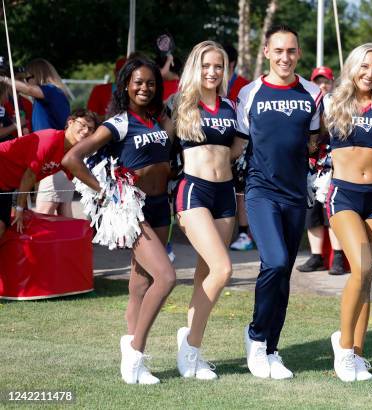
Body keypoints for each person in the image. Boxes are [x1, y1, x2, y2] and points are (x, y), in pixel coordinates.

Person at [62, 57, 175, 385]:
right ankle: (136, 355)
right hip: (132, 210)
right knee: (165, 277)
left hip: (159, 207)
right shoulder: (119, 123)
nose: (144, 88)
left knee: (140, 284)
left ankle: (131, 347)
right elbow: (72, 158)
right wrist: (105, 191)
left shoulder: (158, 120)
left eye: (151, 83)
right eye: (138, 82)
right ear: (126, 85)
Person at [236, 25, 322, 379]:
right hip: (260, 192)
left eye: (291, 51)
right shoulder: (249, 93)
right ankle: (256, 339)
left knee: (283, 273)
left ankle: (272, 348)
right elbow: (239, 145)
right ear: (267, 52)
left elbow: (315, 143)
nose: (285, 57)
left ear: (298, 54)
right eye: (279, 50)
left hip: (294, 195)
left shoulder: (313, 93)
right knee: (274, 262)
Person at [168, 41, 246, 380]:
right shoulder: (181, 104)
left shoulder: (232, 105)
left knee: (206, 273)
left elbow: (240, 143)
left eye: (218, 66)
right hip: (194, 192)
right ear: (194, 68)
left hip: (225, 194)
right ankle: (191, 348)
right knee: (223, 269)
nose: (212, 72)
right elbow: (161, 142)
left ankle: (192, 345)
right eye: (206, 66)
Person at [325, 44, 372, 382]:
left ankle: (357, 353)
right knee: (363, 266)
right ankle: (342, 346)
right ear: (353, 67)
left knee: (367, 277)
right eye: (365, 66)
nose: (370, 74)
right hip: (345, 195)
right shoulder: (332, 103)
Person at [0, 109, 97, 240]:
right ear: (70, 122)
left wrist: (103, 193)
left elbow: (81, 179)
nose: (86, 131)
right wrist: (19, 208)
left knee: (3, 228)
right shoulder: (51, 139)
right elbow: (29, 176)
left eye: (91, 129)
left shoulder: (71, 154)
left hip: (7, 187)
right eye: (83, 125)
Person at [1, 59, 73, 217]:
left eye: (28, 78)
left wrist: (4, 79)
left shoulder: (50, 91)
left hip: (52, 160)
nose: (26, 82)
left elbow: (28, 89)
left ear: (38, 75)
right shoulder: (55, 95)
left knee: (42, 214)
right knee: (63, 214)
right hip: (59, 161)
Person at [297, 65, 345, 275]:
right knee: (312, 212)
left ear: (332, 82)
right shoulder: (308, 102)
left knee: (331, 211)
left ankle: (338, 257)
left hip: (334, 164)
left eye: (325, 81)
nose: (322, 85)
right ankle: (316, 256)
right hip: (311, 165)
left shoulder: (340, 103)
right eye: (318, 81)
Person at [224, 43, 254, 252]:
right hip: (218, 145)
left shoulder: (245, 87)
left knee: (241, 191)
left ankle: (244, 233)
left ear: (232, 63)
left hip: (241, 144)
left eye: (222, 63)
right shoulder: (210, 85)